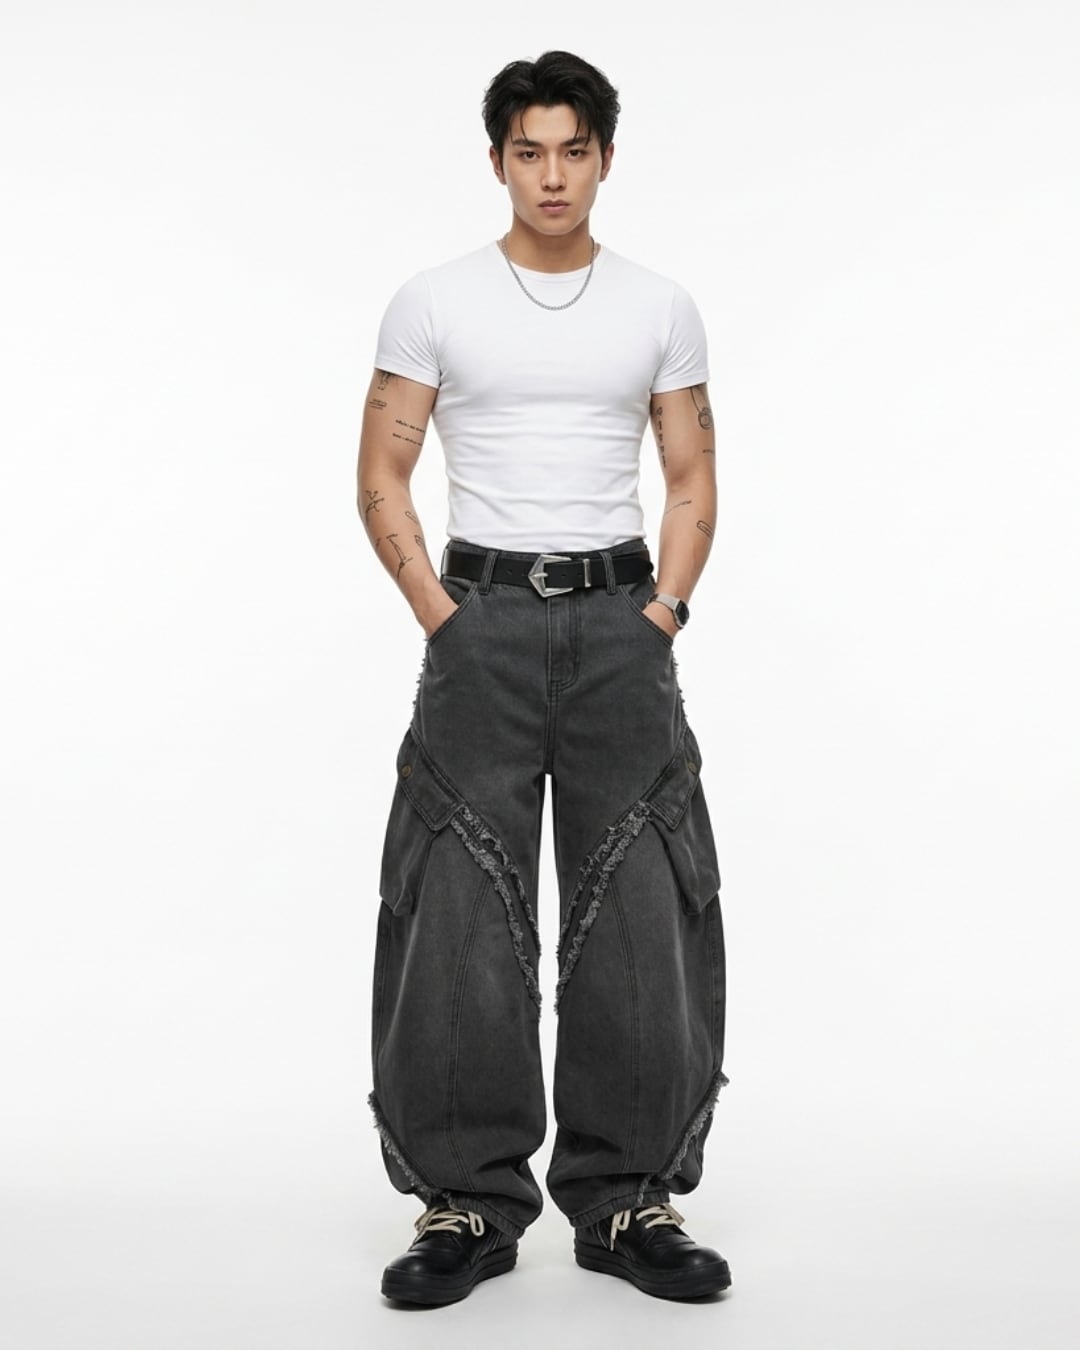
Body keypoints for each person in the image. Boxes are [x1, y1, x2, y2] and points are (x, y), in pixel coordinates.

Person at [356, 50, 731, 1305]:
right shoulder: (434, 301)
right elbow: (380, 470)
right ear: (498, 161)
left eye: (574, 150)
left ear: (606, 158)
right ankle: (466, 1202)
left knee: (639, 903)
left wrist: (663, 612)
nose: (553, 176)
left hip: (624, 621)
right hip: (483, 622)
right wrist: (441, 613)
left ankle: (628, 1201)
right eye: (530, 152)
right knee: (460, 905)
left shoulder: (660, 305)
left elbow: (690, 472)